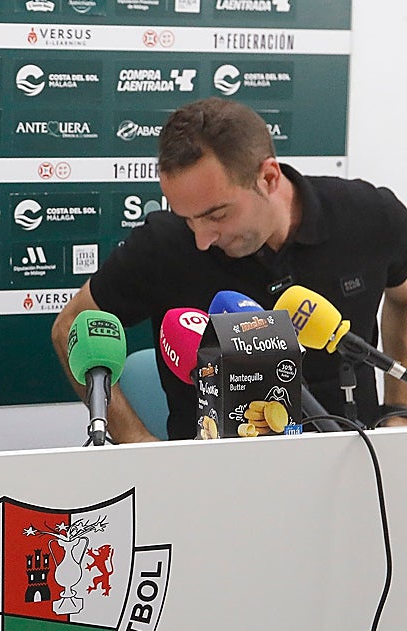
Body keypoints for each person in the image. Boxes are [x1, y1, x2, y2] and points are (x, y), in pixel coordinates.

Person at [52, 97, 407, 441]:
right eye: (187, 219)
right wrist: (135, 438)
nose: (202, 239)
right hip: (209, 477)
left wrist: (397, 411)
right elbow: (70, 326)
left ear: (268, 178)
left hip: (353, 464)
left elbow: (403, 298)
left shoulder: (369, 216)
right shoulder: (162, 246)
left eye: (216, 215)